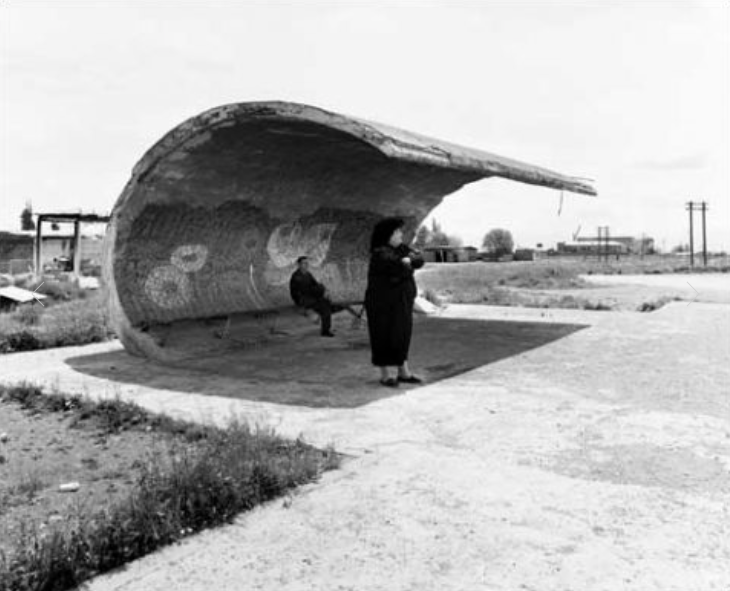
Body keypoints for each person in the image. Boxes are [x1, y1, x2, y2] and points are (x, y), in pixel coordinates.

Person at [364, 217, 424, 387]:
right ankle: (385, 375)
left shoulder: (402, 249)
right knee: (383, 336)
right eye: (397, 232)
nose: (401, 235)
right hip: (382, 305)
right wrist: (407, 264)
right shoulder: (380, 253)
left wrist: (409, 261)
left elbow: (419, 259)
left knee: (402, 335)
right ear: (388, 235)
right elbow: (399, 269)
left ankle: (403, 372)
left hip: (401, 302)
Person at [289, 256, 337, 337]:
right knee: (324, 305)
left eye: (307, 263)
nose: (306, 265)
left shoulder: (308, 274)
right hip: (302, 299)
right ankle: (325, 330)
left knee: (326, 302)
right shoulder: (296, 276)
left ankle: (326, 327)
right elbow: (299, 292)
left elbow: (315, 284)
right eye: (304, 263)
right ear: (299, 265)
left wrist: (324, 290)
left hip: (310, 298)